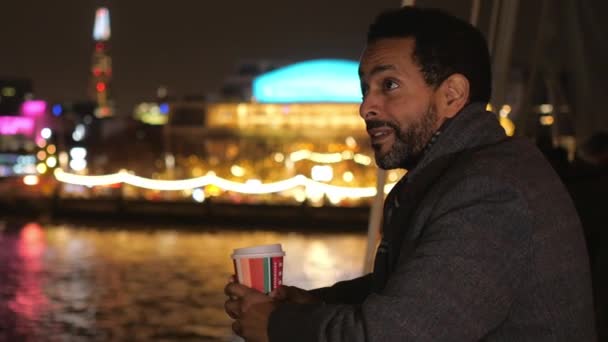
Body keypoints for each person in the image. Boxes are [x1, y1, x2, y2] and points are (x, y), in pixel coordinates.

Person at [224, 6, 596, 341]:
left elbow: (397, 333)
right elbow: (419, 287)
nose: (366, 106)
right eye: (364, 89)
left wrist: (277, 326)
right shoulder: (471, 172)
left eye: (389, 85)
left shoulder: (491, 191)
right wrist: (307, 303)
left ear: (452, 94)